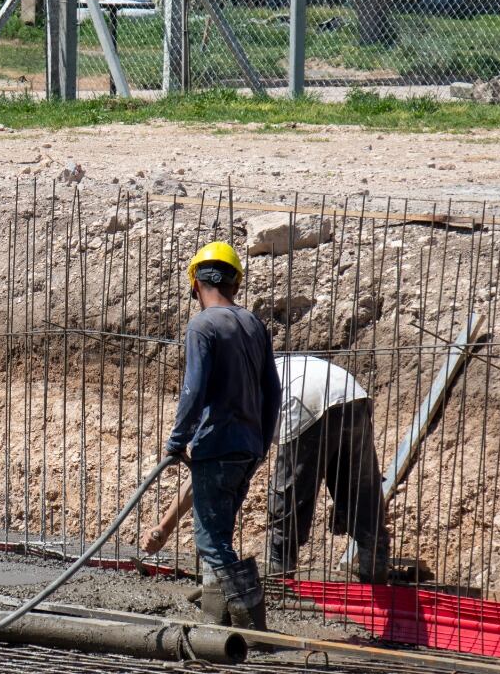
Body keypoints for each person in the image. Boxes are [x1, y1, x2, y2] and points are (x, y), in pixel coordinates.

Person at [163, 242, 281, 631]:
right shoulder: (253, 324)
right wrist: (261, 444)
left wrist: (178, 440)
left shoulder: (202, 325)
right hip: (248, 446)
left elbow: (193, 390)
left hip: (217, 445)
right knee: (219, 537)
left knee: (211, 543)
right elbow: (273, 391)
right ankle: (218, 623)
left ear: (195, 282)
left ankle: (249, 628)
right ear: (235, 283)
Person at [268, 354, 390, 584]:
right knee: (361, 487)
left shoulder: (242, 386)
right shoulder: (271, 367)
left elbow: (252, 447)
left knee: (291, 491)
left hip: (306, 399)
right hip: (353, 393)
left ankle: (279, 572)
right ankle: (374, 568)